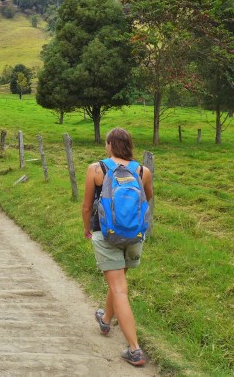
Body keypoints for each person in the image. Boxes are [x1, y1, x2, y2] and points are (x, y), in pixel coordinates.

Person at [81, 127, 153, 367]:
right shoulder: (143, 171)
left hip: (106, 233)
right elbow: (148, 197)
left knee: (119, 288)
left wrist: (86, 229)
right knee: (119, 280)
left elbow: (86, 205)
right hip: (134, 235)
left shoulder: (96, 169)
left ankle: (134, 349)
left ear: (110, 144)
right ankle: (106, 318)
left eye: (106, 143)